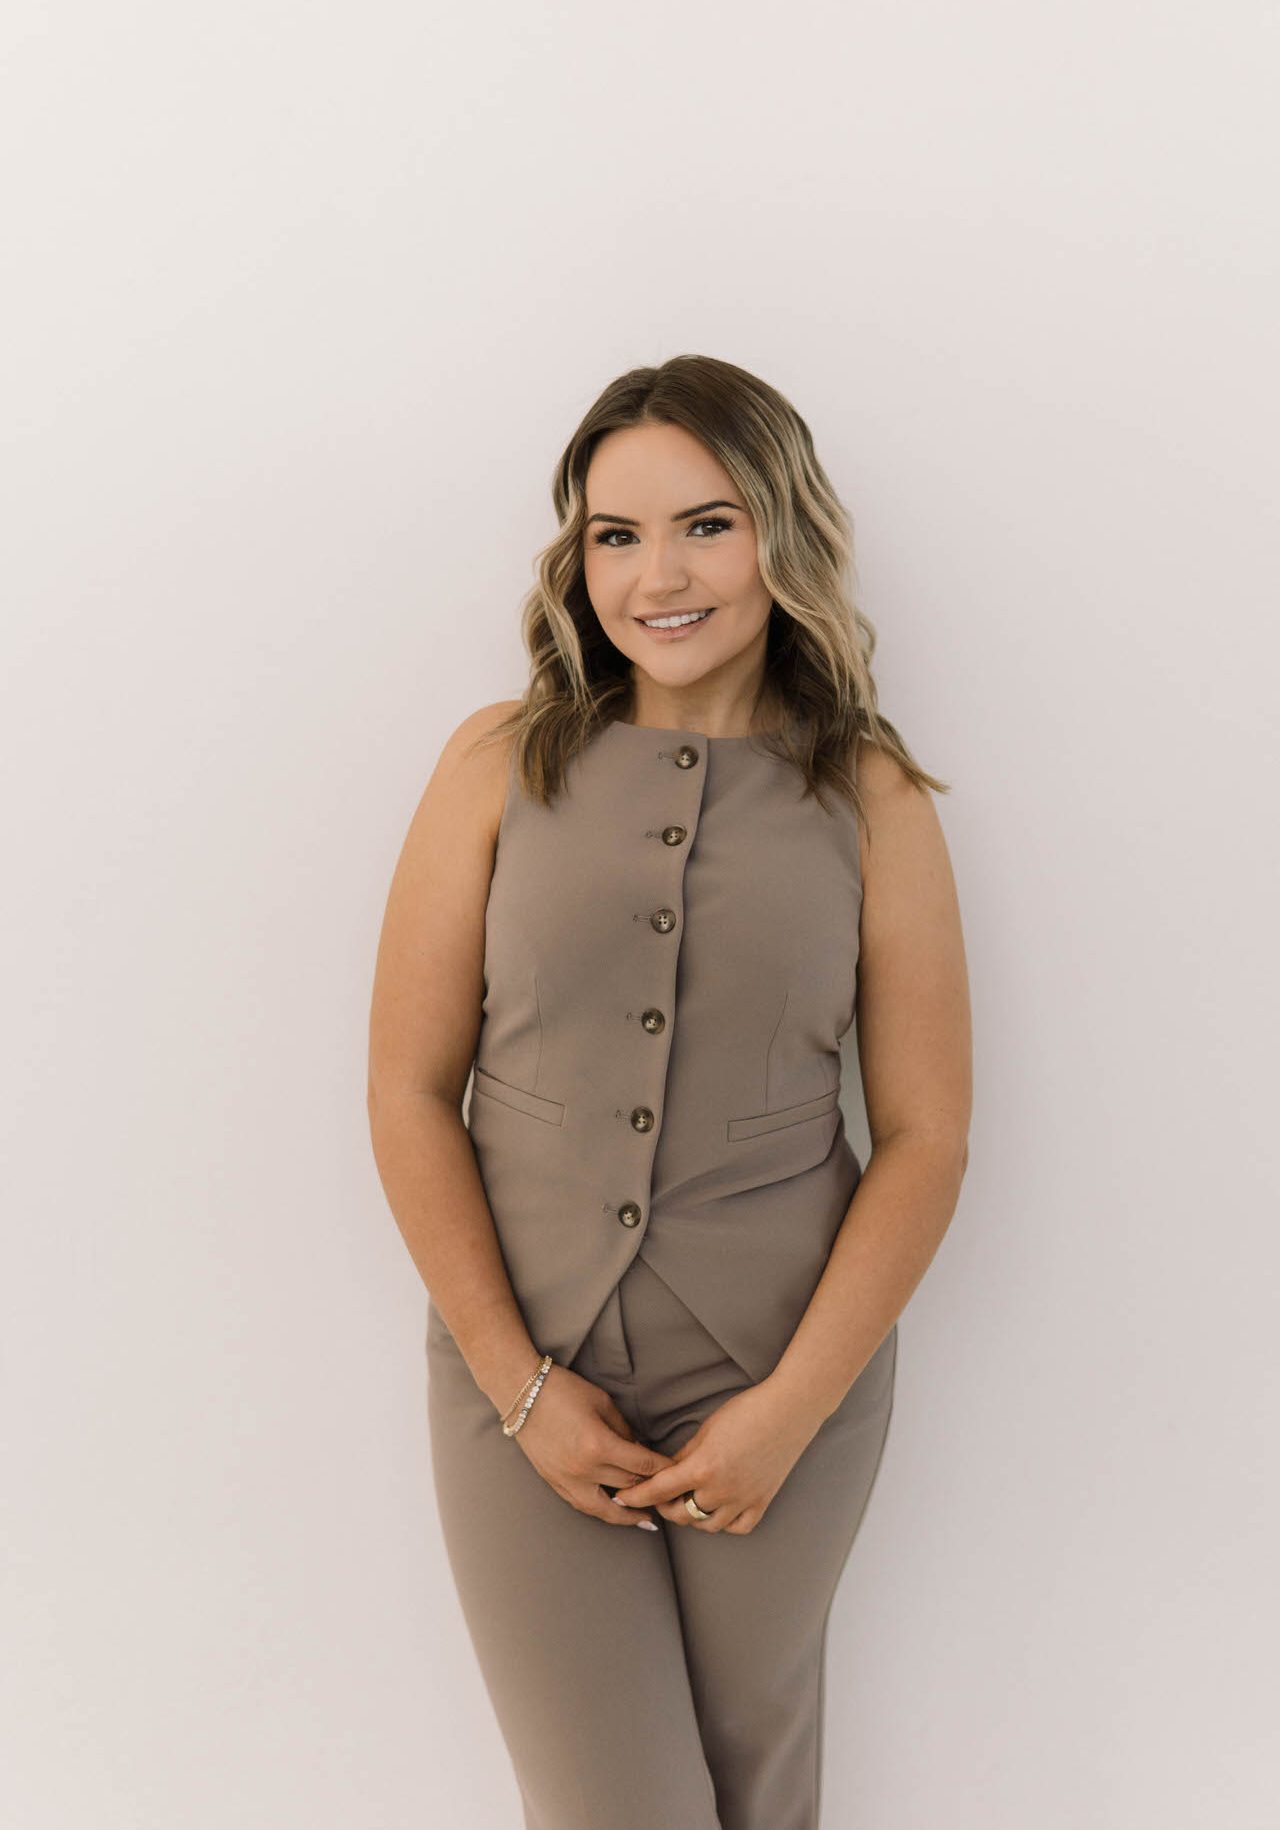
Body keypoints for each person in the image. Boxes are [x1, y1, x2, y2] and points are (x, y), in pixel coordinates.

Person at [366, 353, 972, 1830]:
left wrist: (786, 1412)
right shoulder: (496, 763)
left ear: (781, 527)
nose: (659, 575)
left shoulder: (870, 796)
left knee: (758, 1793)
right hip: (526, 1377)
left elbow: (926, 1134)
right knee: (617, 1807)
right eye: (616, 535)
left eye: (706, 523)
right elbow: (404, 1085)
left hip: (782, 1387)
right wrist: (518, 1381)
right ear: (578, 562)